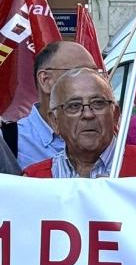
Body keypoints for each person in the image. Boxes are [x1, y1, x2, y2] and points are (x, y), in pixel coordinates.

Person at [23, 68, 136, 178]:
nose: (88, 114)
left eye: (98, 103)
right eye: (74, 106)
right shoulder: (33, 181)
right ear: (55, 122)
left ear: (115, 115)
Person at [6, 41, 99, 169]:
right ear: (45, 80)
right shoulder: (9, 141)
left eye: (95, 73)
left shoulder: (106, 137)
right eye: (79, 73)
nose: (92, 82)